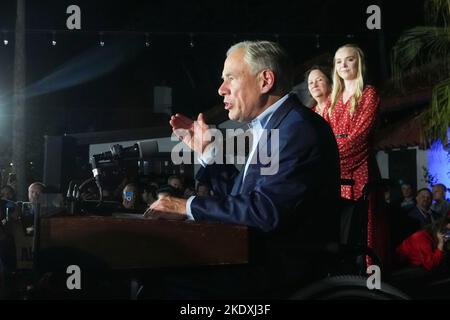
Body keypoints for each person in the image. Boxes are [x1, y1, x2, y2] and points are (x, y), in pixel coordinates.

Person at [143, 40, 340, 298]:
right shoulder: (277, 125)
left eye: (231, 78)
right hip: (256, 259)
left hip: (278, 270)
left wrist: (185, 205)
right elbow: (243, 199)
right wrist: (208, 153)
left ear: (265, 81)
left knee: (160, 281)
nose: (221, 89)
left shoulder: (297, 129)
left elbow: (265, 211)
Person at [324, 44, 380, 201]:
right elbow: (325, 132)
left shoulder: (369, 93)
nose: (343, 65)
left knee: (360, 215)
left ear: (359, 63)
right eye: (339, 61)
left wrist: (331, 159)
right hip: (334, 165)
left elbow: (361, 134)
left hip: (359, 163)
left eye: (349, 60)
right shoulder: (332, 98)